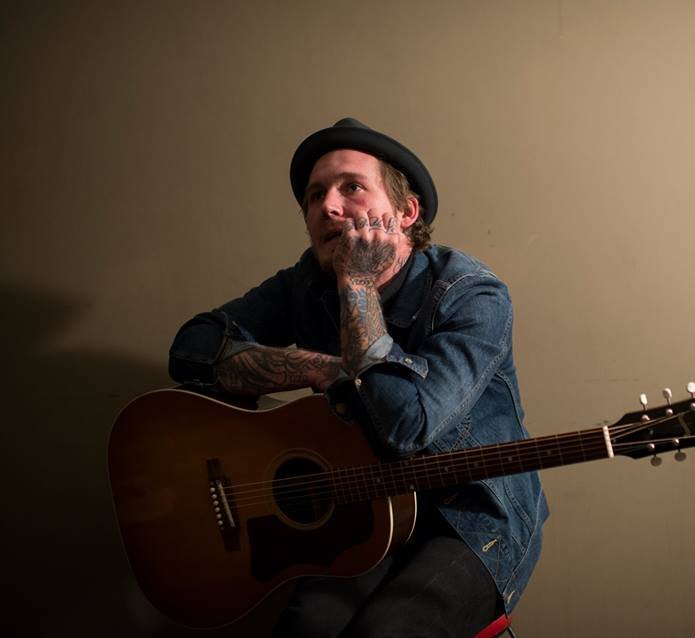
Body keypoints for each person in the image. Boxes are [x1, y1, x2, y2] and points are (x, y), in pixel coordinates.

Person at [168, 117, 548, 637]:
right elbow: (191, 351)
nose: (327, 206)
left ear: (406, 213)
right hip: (364, 509)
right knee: (305, 628)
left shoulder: (472, 294)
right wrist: (322, 367)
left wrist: (358, 281)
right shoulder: (306, 283)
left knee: (385, 632)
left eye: (351, 187)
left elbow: (405, 426)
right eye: (314, 195)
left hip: (472, 518)